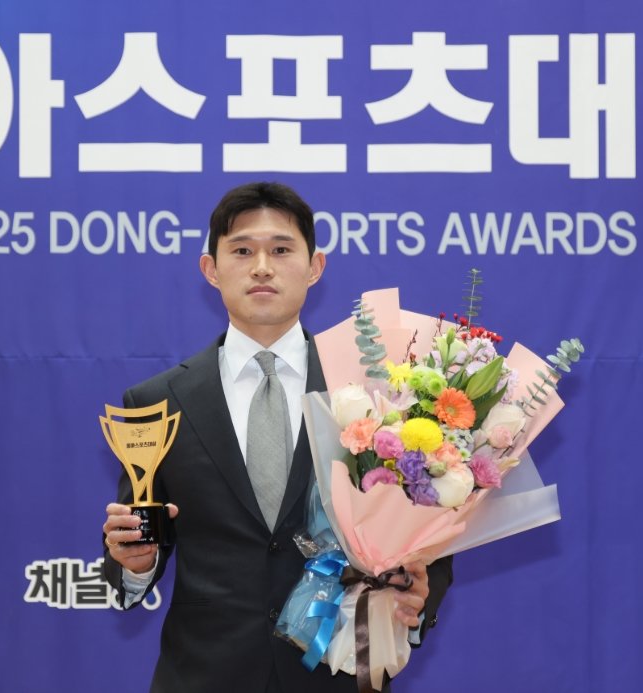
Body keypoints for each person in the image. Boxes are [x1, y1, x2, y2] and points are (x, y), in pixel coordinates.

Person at [102, 182, 452, 693]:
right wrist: (135, 563)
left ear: (315, 267)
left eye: (282, 250)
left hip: (336, 670)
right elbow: (137, 545)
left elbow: (425, 529)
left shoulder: (376, 390)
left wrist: (417, 593)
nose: (262, 267)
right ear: (211, 269)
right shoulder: (156, 402)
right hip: (204, 676)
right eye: (242, 251)